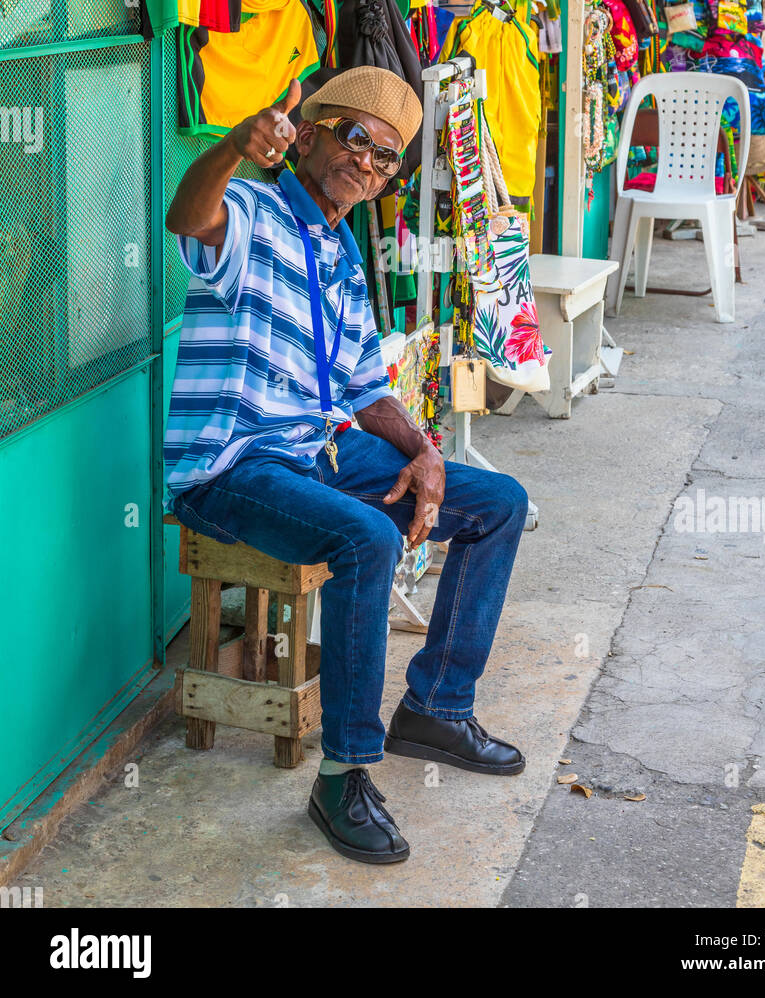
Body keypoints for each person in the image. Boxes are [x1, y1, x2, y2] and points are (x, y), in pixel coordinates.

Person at [164, 64, 529, 865]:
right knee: (367, 537)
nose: (368, 161)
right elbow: (188, 217)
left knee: (499, 501)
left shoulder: (341, 254)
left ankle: (435, 706)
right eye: (356, 137)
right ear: (310, 134)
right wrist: (232, 145)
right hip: (232, 465)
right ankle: (344, 774)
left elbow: (367, 390)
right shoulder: (253, 212)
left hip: (317, 451)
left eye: (387, 155)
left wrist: (426, 452)